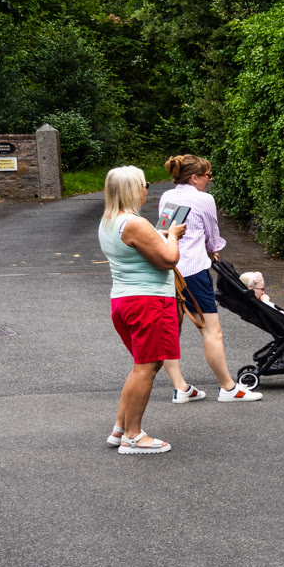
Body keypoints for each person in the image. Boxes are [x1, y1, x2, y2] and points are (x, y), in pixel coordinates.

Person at [158, 155, 261, 402]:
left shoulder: (167, 196)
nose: (209, 180)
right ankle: (227, 388)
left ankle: (180, 388)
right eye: (208, 175)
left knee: (171, 331)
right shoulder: (204, 199)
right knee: (212, 332)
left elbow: (164, 231)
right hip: (193, 270)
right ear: (194, 178)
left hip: (166, 270)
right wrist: (213, 249)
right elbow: (212, 236)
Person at [99, 166, 184, 454]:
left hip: (124, 300)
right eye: (144, 184)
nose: (148, 189)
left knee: (144, 366)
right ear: (133, 189)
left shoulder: (110, 221)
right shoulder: (136, 223)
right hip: (149, 302)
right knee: (146, 368)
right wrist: (173, 236)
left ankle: (120, 427)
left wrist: (160, 235)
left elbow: (138, 249)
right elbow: (169, 259)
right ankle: (133, 436)